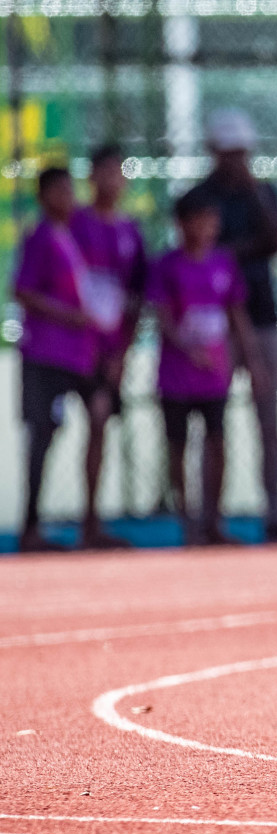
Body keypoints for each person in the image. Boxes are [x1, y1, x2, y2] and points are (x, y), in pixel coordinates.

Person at [193, 109, 277, 540]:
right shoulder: (199, 199)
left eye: (242, 152)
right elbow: (206, 254)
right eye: (228, 152)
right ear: (213, 151)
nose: (236, 160)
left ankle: (276, 511)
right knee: (213, 419)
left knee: (269, 417)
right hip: (216, 325)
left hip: (263, 317)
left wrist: (252, 194)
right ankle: (209, 516)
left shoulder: (263, 193)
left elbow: (276, 239)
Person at [150, 189, 264, 544]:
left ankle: (214, 520)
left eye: (212, 221)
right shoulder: (167, 265)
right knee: (178, 445)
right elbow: (161, 316)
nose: (207, 228)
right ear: (182, 224)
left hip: (214, 374)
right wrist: (187, 347)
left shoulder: (223, 263)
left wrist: (251, 359)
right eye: (199, 220)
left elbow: (237, 314)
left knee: (217, 440)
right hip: (176, 374)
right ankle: (187, 519)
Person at [13, 168, 97, 552]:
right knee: (41, 436)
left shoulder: (72, 237)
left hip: (76, 355)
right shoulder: (41, 236)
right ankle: (30, 527)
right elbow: (23, 291)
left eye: (70, 189)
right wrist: (68, 315)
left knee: (100, 412)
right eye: (60, 191)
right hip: (45, 353)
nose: (69, 197)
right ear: (44, 196)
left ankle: (90, 522)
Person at [71, 143, 148, 548]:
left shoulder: (131, 232)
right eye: (104, 172)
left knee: (100, 422)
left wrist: (122, 351)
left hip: (110, 348)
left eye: (118, 172)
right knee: (45, 430)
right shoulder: (75, 225)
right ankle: (37, 522)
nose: (112, 180)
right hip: (71, 346)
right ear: (91, 176)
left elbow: (137, 298)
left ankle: (91, 520)